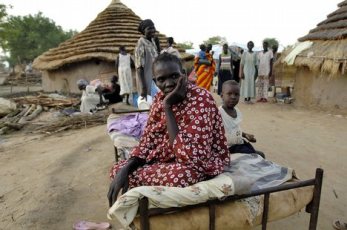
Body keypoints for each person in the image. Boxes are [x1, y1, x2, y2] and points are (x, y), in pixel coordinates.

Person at [107, 53, 229, 206]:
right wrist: (126, 169)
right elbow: (147, 143)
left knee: (183, 176)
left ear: (183, 75)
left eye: (174, 76)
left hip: (198, 162)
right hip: (167, 160)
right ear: (155, 81)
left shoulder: (201, 98)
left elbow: (191, 157)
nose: (169, 83)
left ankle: (144, 186)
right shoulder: (158, 100)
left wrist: (168, 106)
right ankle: (143, 181)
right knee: (118, 170)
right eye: (161, 79)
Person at [219, 80, 265, 158]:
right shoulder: (219, 113)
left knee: (260, 155)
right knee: (257, 157)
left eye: (236, 94)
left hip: (239, 143)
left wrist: (245, 135)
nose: (233, 97)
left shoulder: (237, 111)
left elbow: (234, 129)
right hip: (228, 148)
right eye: (229, 94)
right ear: (222, 95)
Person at [134, 19, 160, 101]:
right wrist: (144, 87)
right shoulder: (140, 44)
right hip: (147, 79)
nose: (152, 30)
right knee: (150, 102)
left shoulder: (153, 41)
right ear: (143, 30)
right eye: (149, 28)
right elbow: (139, 67)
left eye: (153, 28)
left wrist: (158, 44)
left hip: (156, 77)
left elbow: (157, 57)